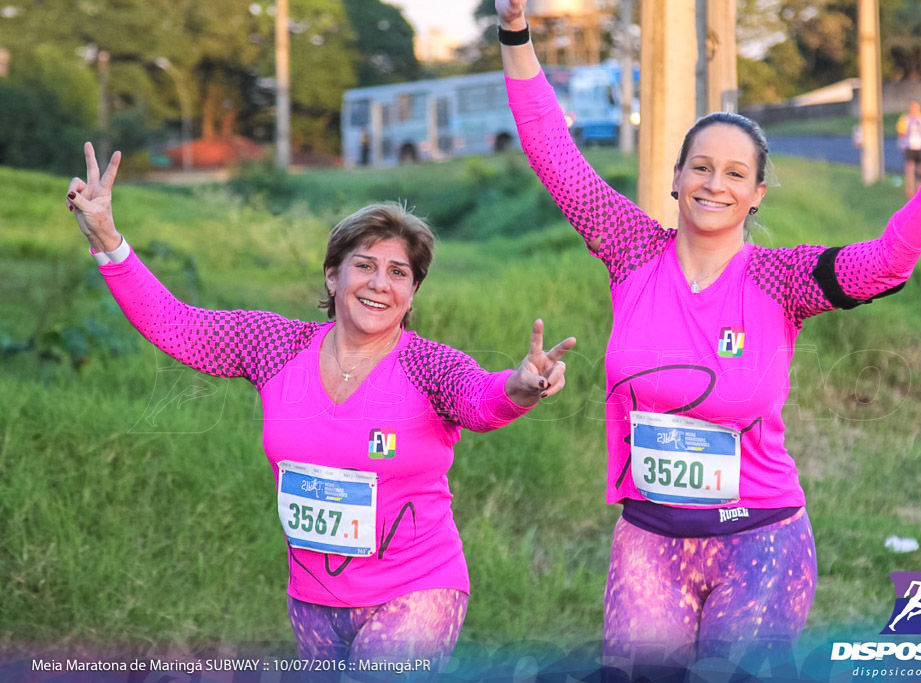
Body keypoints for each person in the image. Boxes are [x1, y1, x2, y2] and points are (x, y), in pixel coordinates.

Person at [496, 0, 921, 676]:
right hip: (648, 538)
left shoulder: (780, 278)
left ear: (758, 193)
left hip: (760, 538)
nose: (715, 182)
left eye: (735, 172)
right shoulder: (629, 249)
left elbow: (885, 264)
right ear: (676, 179)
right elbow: (551, 149)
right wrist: (514, 31)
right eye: (701, 166)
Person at [65, 142, 575, 680]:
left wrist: (521, 387)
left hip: (418, 591)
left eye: (399, 273)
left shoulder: (428, 365)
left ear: (412, 291)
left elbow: (479, 398)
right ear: (333, 277)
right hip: (313, 600)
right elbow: (177, 327)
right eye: (365, 265)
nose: (380, 283)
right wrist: (106, 239)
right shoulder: (273, 345)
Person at [897, 100, 921, 199]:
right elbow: (901, 132)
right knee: (910, 168)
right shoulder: (905, 119)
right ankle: (910, 189)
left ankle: (919, 189)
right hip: (909, 147)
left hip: (920, 147)